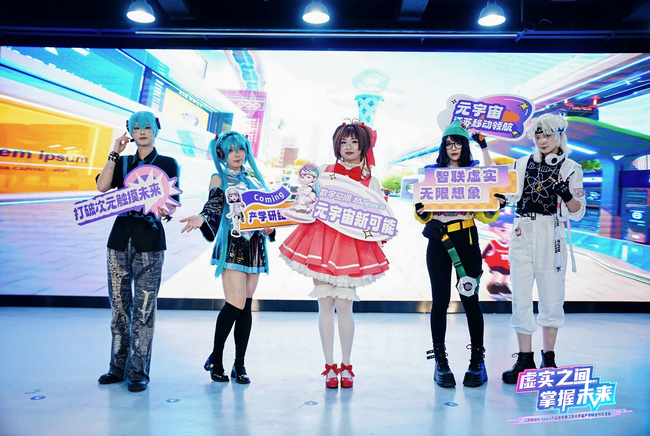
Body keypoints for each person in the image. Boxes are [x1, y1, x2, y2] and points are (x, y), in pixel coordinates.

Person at [279, 121, 389, 389]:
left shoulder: (371, 180)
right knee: (325, 305)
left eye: (354, 142)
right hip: (321, 242)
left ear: (363, 145)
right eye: (343, 142)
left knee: (345, 307)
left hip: (351, 246)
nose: (348, 147)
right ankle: (329, 366)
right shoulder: (324, 172)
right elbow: (306, 202)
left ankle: (347, 365)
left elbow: (379, 218)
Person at [179, 131, 275, 384]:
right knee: (236, 303)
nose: (237, 154)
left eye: (240, 149)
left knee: (246, 306)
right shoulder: (218, 177)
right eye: (231, 150)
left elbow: (267, 211)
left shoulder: (254, 178)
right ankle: (216, 359)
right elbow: (213, 204)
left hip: (255, 245)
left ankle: (239, 365)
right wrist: (202, 217)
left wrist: (270, 229)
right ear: (221, 153)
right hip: (232, 244)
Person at [414, 119, 503, 388]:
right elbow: (421, 208)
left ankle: (477, 361)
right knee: (439, 301)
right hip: (439, 241)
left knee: (470, 300)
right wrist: (422, 215)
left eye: (458, 143)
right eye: (449, 144)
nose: (453, 148)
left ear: (465, 146)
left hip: (467, 238)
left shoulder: (475, 172)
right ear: (443, 147)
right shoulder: (432, 173)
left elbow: (485, 213)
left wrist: (495, 204)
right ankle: (440, 362)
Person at [96, 111, 179, 392]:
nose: (142, 132)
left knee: (144, 310)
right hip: (119, 241)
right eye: (136, 128)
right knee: (119, 308)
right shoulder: (123, 162)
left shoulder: (167, 163)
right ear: (130, 132)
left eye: (147, 127)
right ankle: (116, 368)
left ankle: (138, 371)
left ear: (156, 130)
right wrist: (114, 153)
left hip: (150, 243)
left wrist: (165, 208)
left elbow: (171, 202)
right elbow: (102, 187)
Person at [501, 113, 586, 384]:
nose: (543, 140)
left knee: (551, 296)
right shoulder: (521, 163)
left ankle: (548, 358)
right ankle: (524, 358)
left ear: (560, 135)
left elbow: (578, 212)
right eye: (538, 136)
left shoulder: (572, 168)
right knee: (520, 296)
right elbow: (509, 194)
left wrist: (567, 194)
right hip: (522, 229)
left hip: (552, 231)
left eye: (548, 135)